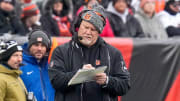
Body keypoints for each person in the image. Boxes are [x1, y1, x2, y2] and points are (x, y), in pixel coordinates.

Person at [49, 4, 130, 101]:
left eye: (93, 29)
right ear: (79, 26)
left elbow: (125, 85)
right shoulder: (61, 51)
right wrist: (79, 75)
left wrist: (107, 81)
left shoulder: (113, 53)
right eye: (86, 27)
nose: (88, 32)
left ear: (99, 32)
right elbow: (56, 81)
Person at [20, 30, 55, 101]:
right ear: (29, 46)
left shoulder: (51, 65)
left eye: (43, 46)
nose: (39, 49)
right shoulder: (19, 65)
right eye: (36, 45)